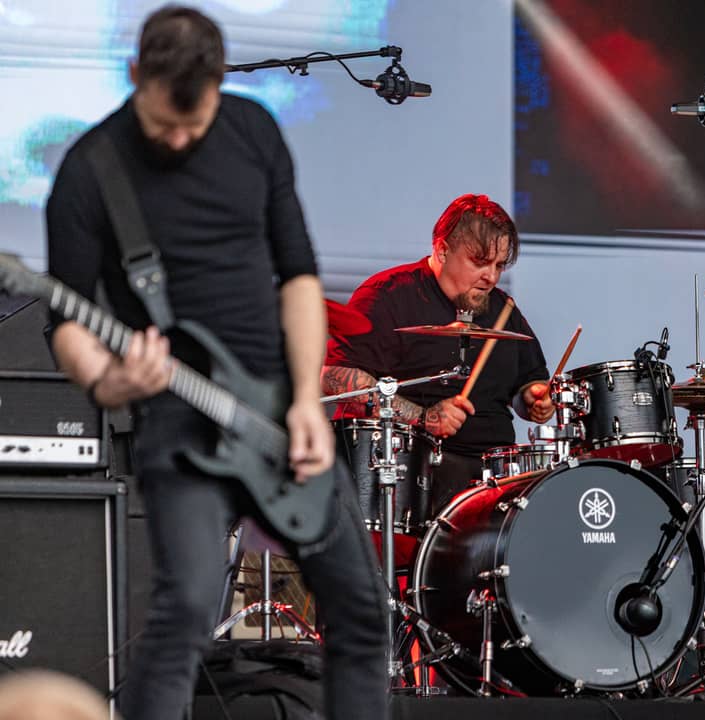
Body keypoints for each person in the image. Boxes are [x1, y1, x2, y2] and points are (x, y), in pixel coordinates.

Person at [45, 7, 386, 720]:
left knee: (359, 611)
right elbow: (67, 322)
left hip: (280, 410)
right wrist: (109, 380)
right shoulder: (90, 171)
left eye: (192, 124)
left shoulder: (253, 131)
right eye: (163, 122)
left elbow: (298, 277)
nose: (177, 138)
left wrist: (305, 400)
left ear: (220, 82)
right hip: (178, 422)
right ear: (135, 75)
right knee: (186, 611)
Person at [322, 194, 554, 511]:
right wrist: (423, 417)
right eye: (480, 262)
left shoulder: (504, 309)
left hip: (494, 482)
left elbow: (528, 383)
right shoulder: (388, 296)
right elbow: (333, 377)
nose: (491, 277)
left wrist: (533, 399)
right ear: (443, 250)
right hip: (413, 476)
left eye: (499, 265)